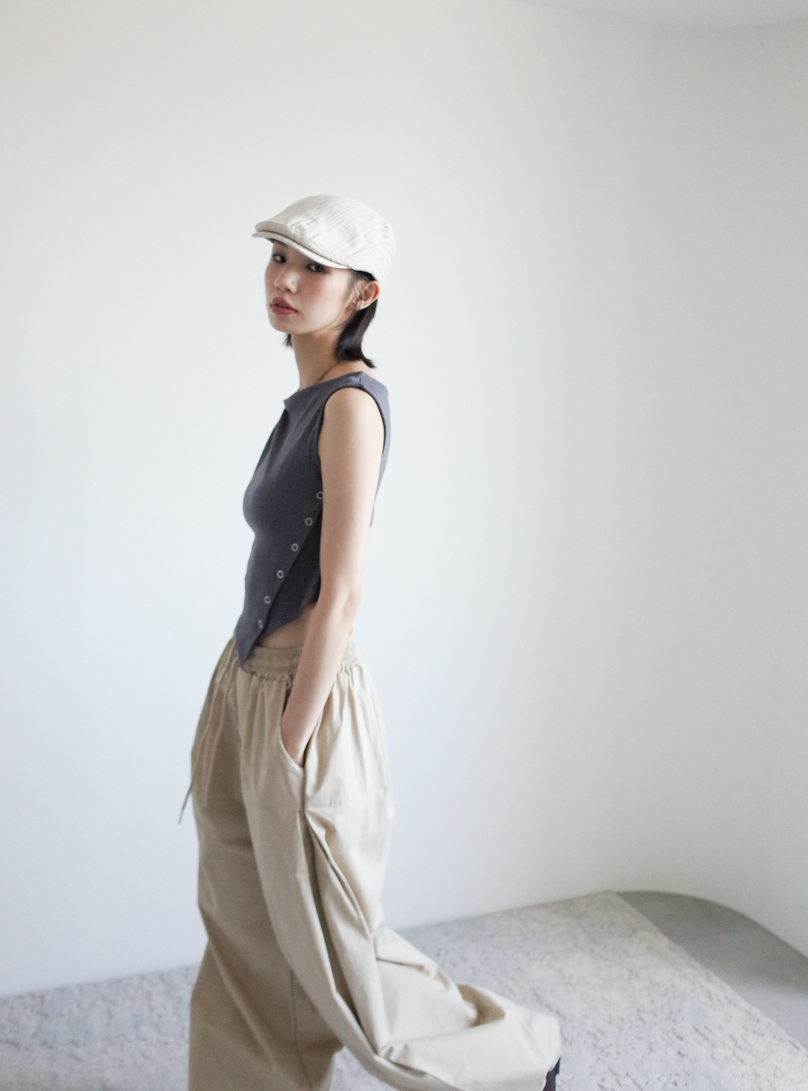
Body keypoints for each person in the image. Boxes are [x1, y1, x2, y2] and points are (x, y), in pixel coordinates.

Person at [184, 195, 562, 1091]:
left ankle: (517, 1054)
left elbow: (344, 590)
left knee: (334, 938)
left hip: (302, 697)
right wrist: (243, 705)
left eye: (313, 266)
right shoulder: (303, 401)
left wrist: (291, 737)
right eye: (279, 256)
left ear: (363, 293)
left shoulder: (351, 406)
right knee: (243, 927)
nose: (285, 278)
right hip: (246, 679)